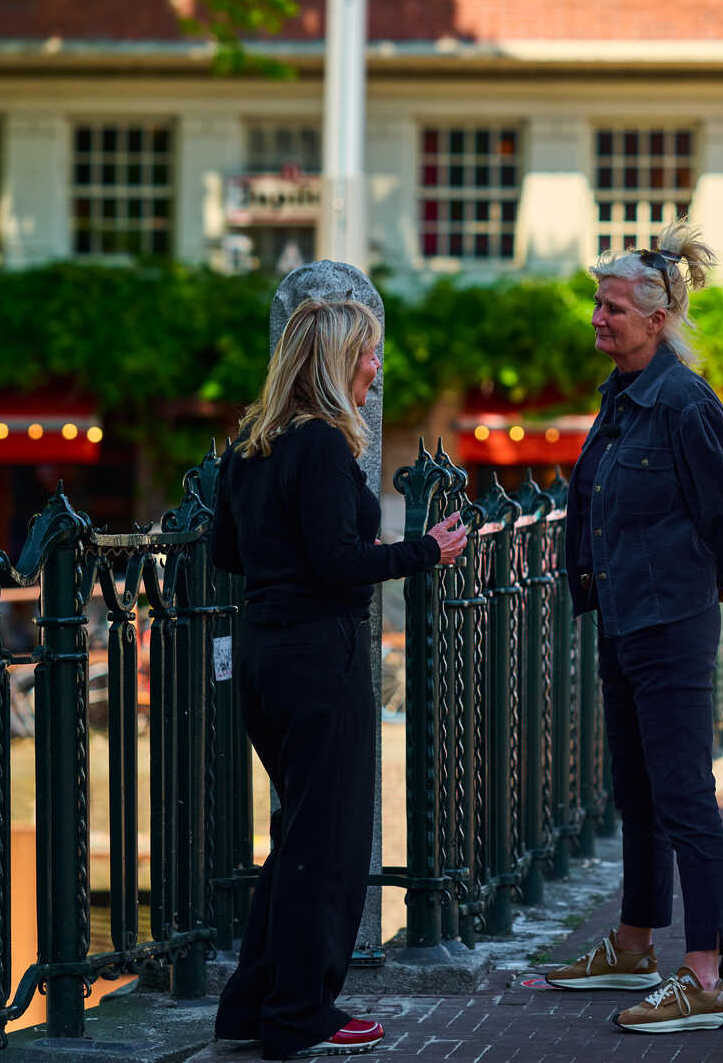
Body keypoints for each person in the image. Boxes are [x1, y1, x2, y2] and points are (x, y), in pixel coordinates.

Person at [211, 299, 471, 1059]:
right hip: (321, 657)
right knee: (325, 845)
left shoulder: (250, 448)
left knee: (297, 834)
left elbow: (229, 552)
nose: (375, 367)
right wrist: (426, 549)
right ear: (333, 360)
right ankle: (300, 1014)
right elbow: (340, 563)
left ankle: (251, 1006)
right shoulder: (322, 446)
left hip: (264, 654)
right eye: (367, 353)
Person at [546, 220, 723, 1035]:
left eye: (610, 308)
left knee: (683, 795)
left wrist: (708, 572)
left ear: (657, 318)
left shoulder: (680, 399)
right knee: (635, 790)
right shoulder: (622, 394)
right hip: (625, 616)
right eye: (598, 306)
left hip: (668, 623)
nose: (597, 319)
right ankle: (634, 944)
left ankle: (704, 975)